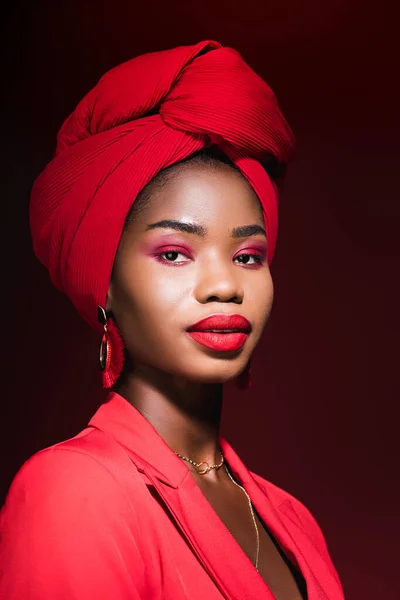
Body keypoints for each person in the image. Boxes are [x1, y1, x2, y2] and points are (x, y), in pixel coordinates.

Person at [0, 41, 344, 599]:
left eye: (248, 257)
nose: (225, 286)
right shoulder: (73, 491)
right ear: (104, 279)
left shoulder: (293, 521)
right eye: (175, 253)